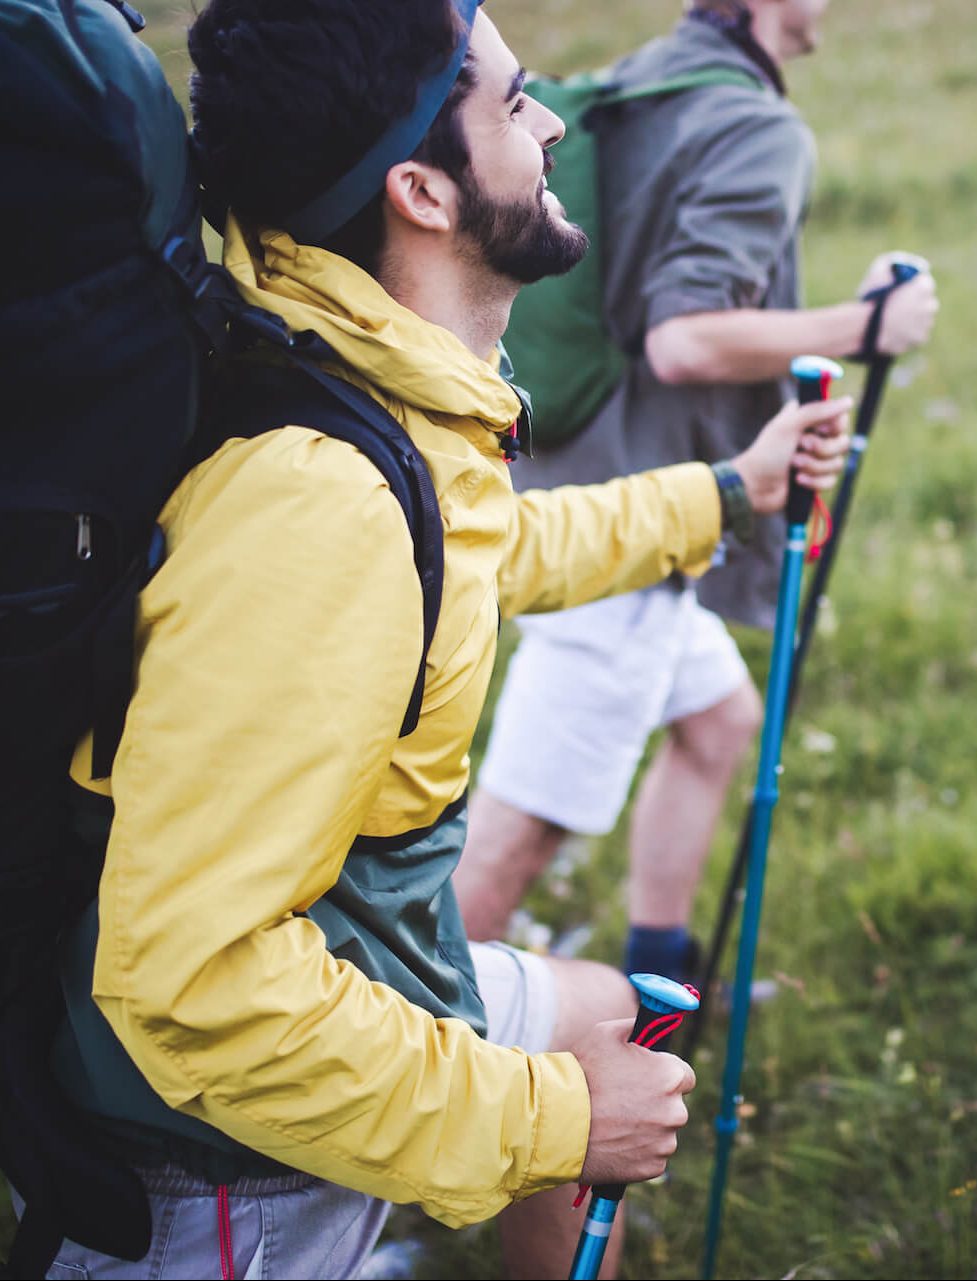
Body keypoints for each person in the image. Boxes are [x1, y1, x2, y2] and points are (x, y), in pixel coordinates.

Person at [32, 3, 851, 1278]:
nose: (554, 125)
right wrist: (552, 1122)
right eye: (514, 105)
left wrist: (727, 493)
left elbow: (488, 551)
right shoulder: (319, 502)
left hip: (369, 970)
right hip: (223, 1166)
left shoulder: (377, 391)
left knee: (602, 1014)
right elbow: (195, 988)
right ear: (419, 190)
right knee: (580, 1081)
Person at [454, 0, 938, 989]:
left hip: (579, 479)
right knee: (509, 844)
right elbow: (682, 339)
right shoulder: (756, 126)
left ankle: (662, 993)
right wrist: (865, 325)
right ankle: (420, 1040)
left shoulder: (650, 79)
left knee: (718, 722)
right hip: (626, 540)